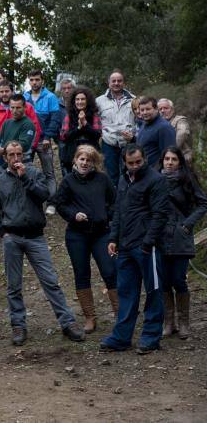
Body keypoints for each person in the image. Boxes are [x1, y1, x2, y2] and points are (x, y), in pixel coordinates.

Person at [0, 142, 85, 346]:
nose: (15, 158)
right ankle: (18, 325)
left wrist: (25, 178)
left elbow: (44, 195)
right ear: (5, 158)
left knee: (50, 281)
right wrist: (2, 232)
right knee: (14, 285)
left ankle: (67, 322)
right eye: (11, 155)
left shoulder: (35, 174)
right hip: (12, 237)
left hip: (36, 237)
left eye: (19, 154)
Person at [100, 145, 169, 354]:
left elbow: (160, 214)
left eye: (138, 162)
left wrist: (148, 243)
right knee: (126, 292)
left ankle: (150, 336)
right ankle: (121, 337)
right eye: (131, 163)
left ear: (144, 159)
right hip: (126, 245)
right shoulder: (123, 179)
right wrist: (114, 238)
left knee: (153, 291)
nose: (135, 166)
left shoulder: (156, 180)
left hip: (147, 246)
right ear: (124, 162)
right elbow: (119, 210)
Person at [50, 145, 117, 333]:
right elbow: (59, 204)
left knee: (110, 271)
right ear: (75, 160)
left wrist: (106, 215)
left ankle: (120, 314)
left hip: (101, 233)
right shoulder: (68, 181)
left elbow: (115, 202)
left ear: (94, 162)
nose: (85, 163)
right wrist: (73, 215)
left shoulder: (103, 180)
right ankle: (90, 317)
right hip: (77, 235)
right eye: (82, 159)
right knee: (82, 273)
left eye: (89, 160)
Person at [159, 146, 207, 340]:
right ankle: (168, 321)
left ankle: (184, 322)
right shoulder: (155, 180)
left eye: (174, 159)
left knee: (179, 279)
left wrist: (187, 224)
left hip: (180, 236)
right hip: (160, 236)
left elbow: (203, 203)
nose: (169, 162)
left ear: (180, 162)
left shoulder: (187, 179)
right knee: (163, 281)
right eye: (167, 159)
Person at [24, 70, 61, 199]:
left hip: (43, 141)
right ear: (29, 81)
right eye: (32, 80)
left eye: (37, 79)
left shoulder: (50, 97)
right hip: (27, 141)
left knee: (49, 172)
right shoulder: (24, 97)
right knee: (26, 170)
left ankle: (52, 201)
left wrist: (47, 137)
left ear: (42, 81)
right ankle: (30, 199)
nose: (34, 82)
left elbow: (55, 119)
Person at [96, 72, 136, 187]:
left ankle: (127, 200)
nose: (116, 83)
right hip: (109, 143)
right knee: (111, 175)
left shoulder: (133, 99)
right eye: (113, 81)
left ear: (124, 83)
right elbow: (94, 120)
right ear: (109, 83)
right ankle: (114, 202)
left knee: (128, 174)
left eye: (119, 81)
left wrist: (134, 136)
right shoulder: (99, 101)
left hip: (128, 143)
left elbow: (139, 120)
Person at [59, 87, 102, 173]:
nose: (80, 102)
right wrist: (78, 128)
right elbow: (64, 137)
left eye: (83, 99)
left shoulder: (94, 116)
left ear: (87, 100)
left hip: (91, 153)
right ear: (74, 101)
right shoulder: (69, 117)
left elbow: (97, 135)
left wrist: (85, 123)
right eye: (77, 99)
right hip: (72, 154)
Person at [0, 94, 38, 169]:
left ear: (25, 107)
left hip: (22, 162)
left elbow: (24, 145)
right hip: (6, 161)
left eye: (18, 108)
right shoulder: (7, 122)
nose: (15, 111)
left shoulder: (28, 124)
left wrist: (4, 150)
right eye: (12, 107)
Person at [136, 96, 176, 169]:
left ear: (156, 109)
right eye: (142, 110)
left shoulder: (164, 128)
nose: (144, 112)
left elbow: (169, 155)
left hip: (155, 174)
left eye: (148, 109)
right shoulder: (144, 125)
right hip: (143, 171)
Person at [157, 99, 193, 164]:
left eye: (166, 108)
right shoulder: (158, 124)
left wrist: (171, 151)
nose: (162, 111)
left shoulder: (180, 120)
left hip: (182, 160)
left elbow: (183, 132)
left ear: (172, 110)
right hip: (166, 162)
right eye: (160, 109)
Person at [55, 78, 76, 174]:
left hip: (76, 139)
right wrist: (58, 139)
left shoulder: (79, 101)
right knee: (64, 165)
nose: (67, 90)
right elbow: (54, 121)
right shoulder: (56, 104)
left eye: (69, 88)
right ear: (61, 90)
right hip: (62, 140)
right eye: (64, 88)